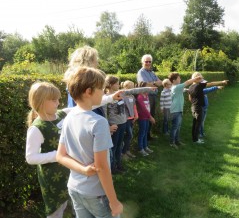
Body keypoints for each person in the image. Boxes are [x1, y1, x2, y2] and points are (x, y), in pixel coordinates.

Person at [56, 67, 123, 218]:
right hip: (97, 194)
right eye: (101, 89)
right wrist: (113, 201)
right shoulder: (98, 122)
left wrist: (83, 170)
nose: (104, 92)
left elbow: (60, 156)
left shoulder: (69, 118)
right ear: (88, 92)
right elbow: (101, 167)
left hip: (74, 188)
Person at [25, 82, 96, 218]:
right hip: (52, 178)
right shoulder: (37, 128)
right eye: (53, 100)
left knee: (69, 200)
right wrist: (57, 155)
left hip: (68, 170)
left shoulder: (62, 115)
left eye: (58, 99)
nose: (58, 102)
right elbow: (30, 157)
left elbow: (86, 106)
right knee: (56, 209)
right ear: (40, 102)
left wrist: (111, 98)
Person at [105, 76, 156, 173]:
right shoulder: (105, 98)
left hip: (123, 122)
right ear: (111, 85)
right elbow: (104, 114)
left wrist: (148, 88)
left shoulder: (121, 93)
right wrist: (108, 126)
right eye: (116, 83)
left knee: (119, 145)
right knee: (114, 146)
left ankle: (119, 164)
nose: (118, 85)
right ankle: (112, 167)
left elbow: (133, 90)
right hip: (115, 125)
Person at [188, 72, 228, 144]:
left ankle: (194, 138)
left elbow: (190, 98)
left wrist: (195, 102)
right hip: (198, 108)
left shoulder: (190, 87)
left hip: (193, 107)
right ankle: (196, 140)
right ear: (197, 79)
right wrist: (222, 82)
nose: (202, 79)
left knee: (195, 124)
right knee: (198, 124)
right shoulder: (199, 85)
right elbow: (211, 83)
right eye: (201, 78)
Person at [168, 72, 202, 149]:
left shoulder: (177, 88)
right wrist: (195, 79)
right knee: (175, 127)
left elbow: (184, 89)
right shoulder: (176, 87)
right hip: (175, 111)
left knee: (178, 126)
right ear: (174, 80)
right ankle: (172, 142)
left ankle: (177, 141)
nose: (180, 79)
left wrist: (188, 90)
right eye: (179, 78)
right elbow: (187, 83)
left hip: (179, 110)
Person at [137, 54, 162, 141]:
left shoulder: (152, 72)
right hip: (146, 97)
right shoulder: (141, 72)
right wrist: (154, 83)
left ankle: (148, 136)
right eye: (146, 61)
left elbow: (160, 82)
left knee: (152, 115)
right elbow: (144, 84)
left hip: (153, 96)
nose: (148, 63)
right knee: (147, 115)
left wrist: (152, 83)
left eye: (149, 61)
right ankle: (145, 138)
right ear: (142, 62)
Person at [135, 82, 156, 156]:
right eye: (147, 87)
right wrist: (150, 117)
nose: (149, 88)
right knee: (142, 133)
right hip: (142, 117)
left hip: (147, 117)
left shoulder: (146, 95)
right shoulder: (140, 97)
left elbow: (148, 107)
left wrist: (149, 116)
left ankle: (145, 146)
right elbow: (143, 108)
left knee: (146, 132)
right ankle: (140, 149)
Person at [120, 80, 139, 159]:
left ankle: (127, 151)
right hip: (125, 119)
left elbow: (134, 106)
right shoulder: (122, 96)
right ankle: (123, 152)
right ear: (126, 87)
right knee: (129, 135)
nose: (133, 89)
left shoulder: (132, 96)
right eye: (131, 87)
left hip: (131, 118)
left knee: (128, 136)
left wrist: (136, 115)